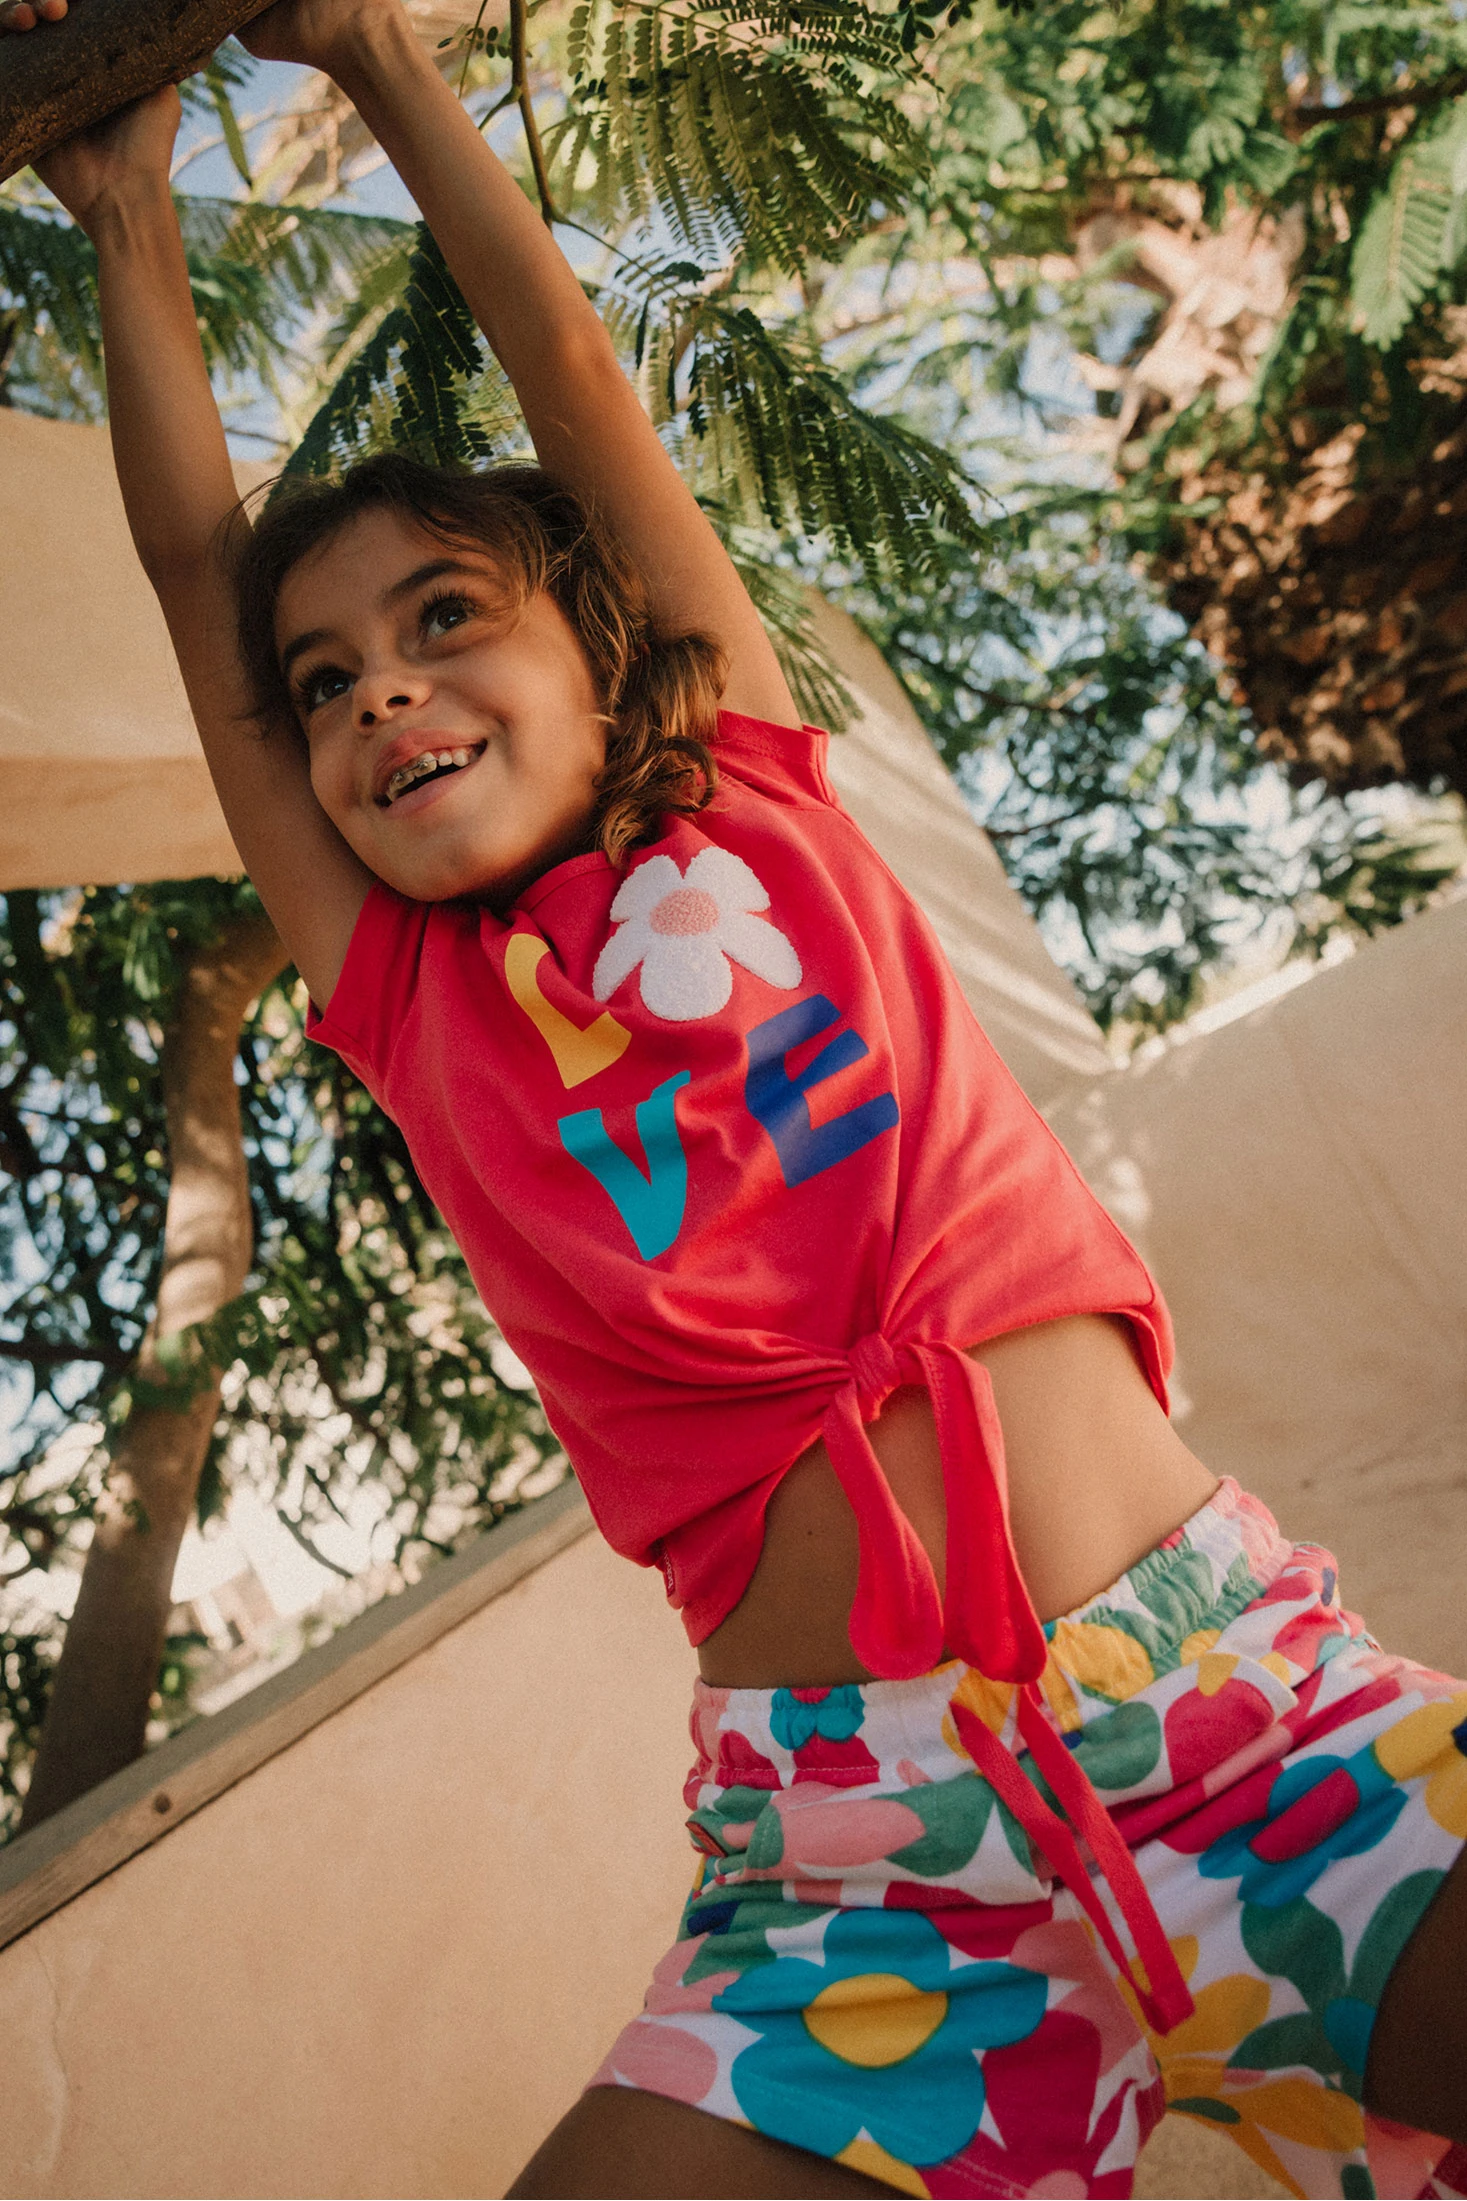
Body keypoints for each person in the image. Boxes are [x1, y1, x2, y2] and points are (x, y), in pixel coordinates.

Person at [5, 0, 1465, 2190]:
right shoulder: (408, 995)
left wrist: (374, 53)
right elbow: (194, 575)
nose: (380, 687)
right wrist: (124, 205)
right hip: (861, 1871)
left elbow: (576, 383)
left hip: (1234, 1721)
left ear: (604, 647)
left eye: (442, 617)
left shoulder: (756, 794)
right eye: (328, 683)